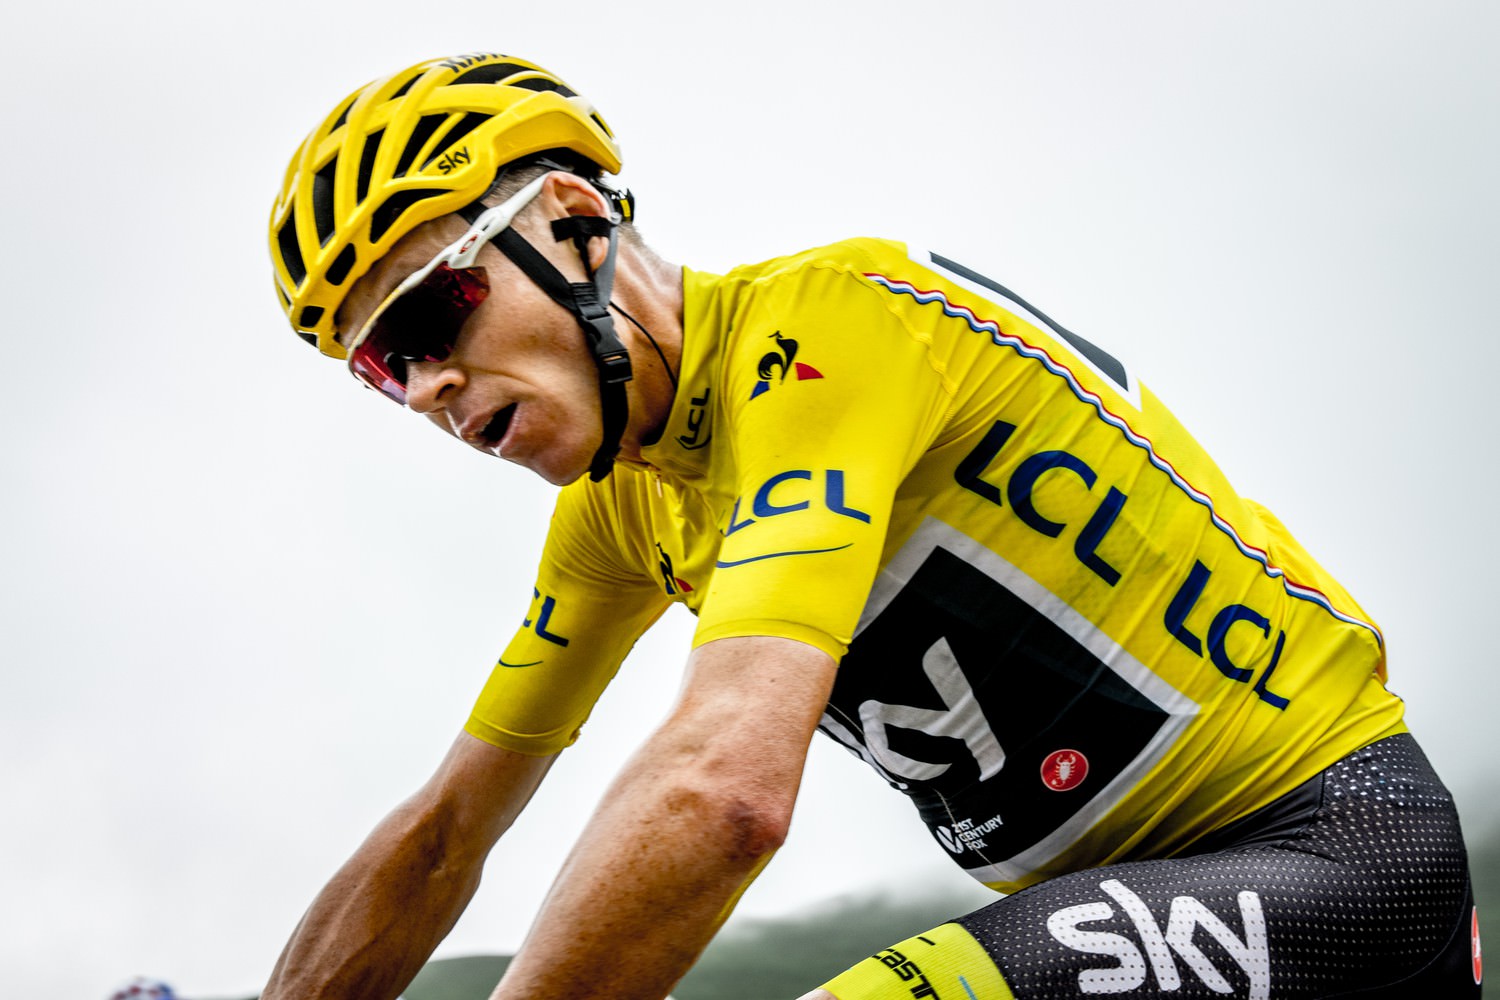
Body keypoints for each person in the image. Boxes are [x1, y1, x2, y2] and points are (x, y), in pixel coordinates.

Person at [264, 52, 1482, 1000]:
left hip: (1339, 850)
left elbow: (720, 792)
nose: (422, 386)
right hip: (1123, 912)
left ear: (574, 219)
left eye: (434, 313)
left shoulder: (831, 328)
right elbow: (441, 839)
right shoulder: (621, 516)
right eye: (381, 366)